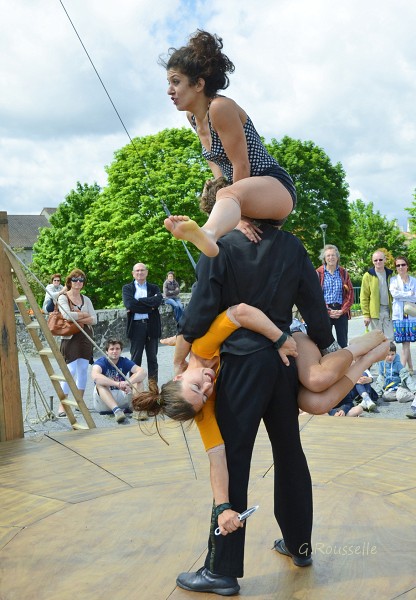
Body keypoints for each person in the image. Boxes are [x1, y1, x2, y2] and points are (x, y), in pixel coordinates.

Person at [161, 30, 296, 258]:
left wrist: (240, 216)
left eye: (176, 82)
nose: (169, 91)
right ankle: (210, 233)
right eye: (168, 83)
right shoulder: (193, 118)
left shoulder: (220, 107)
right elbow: (217, 168)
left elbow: (240, 165)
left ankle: (208, 233)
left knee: (227, 194)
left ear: (198, 84)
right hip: (239, 196)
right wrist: (230, 214)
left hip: (273, 186)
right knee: (223, 194)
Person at [135, 308, 386, 422]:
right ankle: (367, 359)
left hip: (289, 337)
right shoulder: (200, 397)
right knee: (316, 404)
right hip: (283, 369)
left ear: (179, 377)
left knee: (317, 379)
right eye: (204, 395)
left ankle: (358, 348)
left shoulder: (201, 348)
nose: (207, 386)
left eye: (196, 386)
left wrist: (179, 354)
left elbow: (235, 313)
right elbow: (214, 450)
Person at [57, 269, 97, 418]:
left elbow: (94, 319)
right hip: (70, 337)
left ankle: (79, 402)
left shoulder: (86, 299)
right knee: (70, 370)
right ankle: (63, 405)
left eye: (81, 280)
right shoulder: (63, 297)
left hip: (85, 336)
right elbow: (66, 316)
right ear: (69, 281)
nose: (78, 282)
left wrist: (78, 317)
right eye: (75, 280)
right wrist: (85, 315)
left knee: (83, 369)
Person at [122, 263, 163, 382]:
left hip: (152, 326)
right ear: (133, 273)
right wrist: (150, 307)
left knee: (153, 360)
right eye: (137, 270)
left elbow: (157, 302)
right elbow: (130, 304)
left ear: (147, 272)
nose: (140, 272)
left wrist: (139, 301)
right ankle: (134, 388)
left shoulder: (154, 288)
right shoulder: (127, 288)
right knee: (135, 360)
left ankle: (153, 388)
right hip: (136, 327)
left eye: (142, 270)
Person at [91, 339, 147, 423]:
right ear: (106, 351)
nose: (115, 351)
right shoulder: (101, 362)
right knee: (99, 384)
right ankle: (116, 410)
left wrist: (128, 382)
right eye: (112, 349)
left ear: (121, 350)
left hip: (121, 396)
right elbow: (95, 376)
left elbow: (142, 372)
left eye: (117, 349)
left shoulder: (124, 361)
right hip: (104, 401)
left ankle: (138, 409)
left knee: (138, 381)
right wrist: (117, 384)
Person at [316, 244, 354, 348]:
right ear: (324, 258)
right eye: (328, 255)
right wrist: (328, 311)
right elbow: (315, 296)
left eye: (333, 255)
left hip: (341, 310)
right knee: (325, 342)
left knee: (343, 342)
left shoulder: (343, 273)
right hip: (324, 311)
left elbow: (350, 293)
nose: (331, 258)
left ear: (337, 257)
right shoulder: (318, 273)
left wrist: (342, 310)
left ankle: (343, 358)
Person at [389, 256, 416, 374]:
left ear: (407, 266)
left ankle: (401, 371)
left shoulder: (414, 280)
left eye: (403, 264)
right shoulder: (393, 280)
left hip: (410, 315)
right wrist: (409, 294)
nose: (400, 267)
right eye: (398, 265)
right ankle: (410, 368)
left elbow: (415, 297)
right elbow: (394, 294)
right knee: (404, 342)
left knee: (406, 342)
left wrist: (402, 295)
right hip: (399, 315)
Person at [360, 249, 394, 339]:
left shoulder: (391, 274)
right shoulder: (368, 275)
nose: (378, 262)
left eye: (380, 259)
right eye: (375, 260)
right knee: (377, 339)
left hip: (388, 310)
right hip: (375, 311)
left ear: (385, 260)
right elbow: (364, 296)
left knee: (390, 337)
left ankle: (389, 349)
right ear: (372, 261)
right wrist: (366, 315)